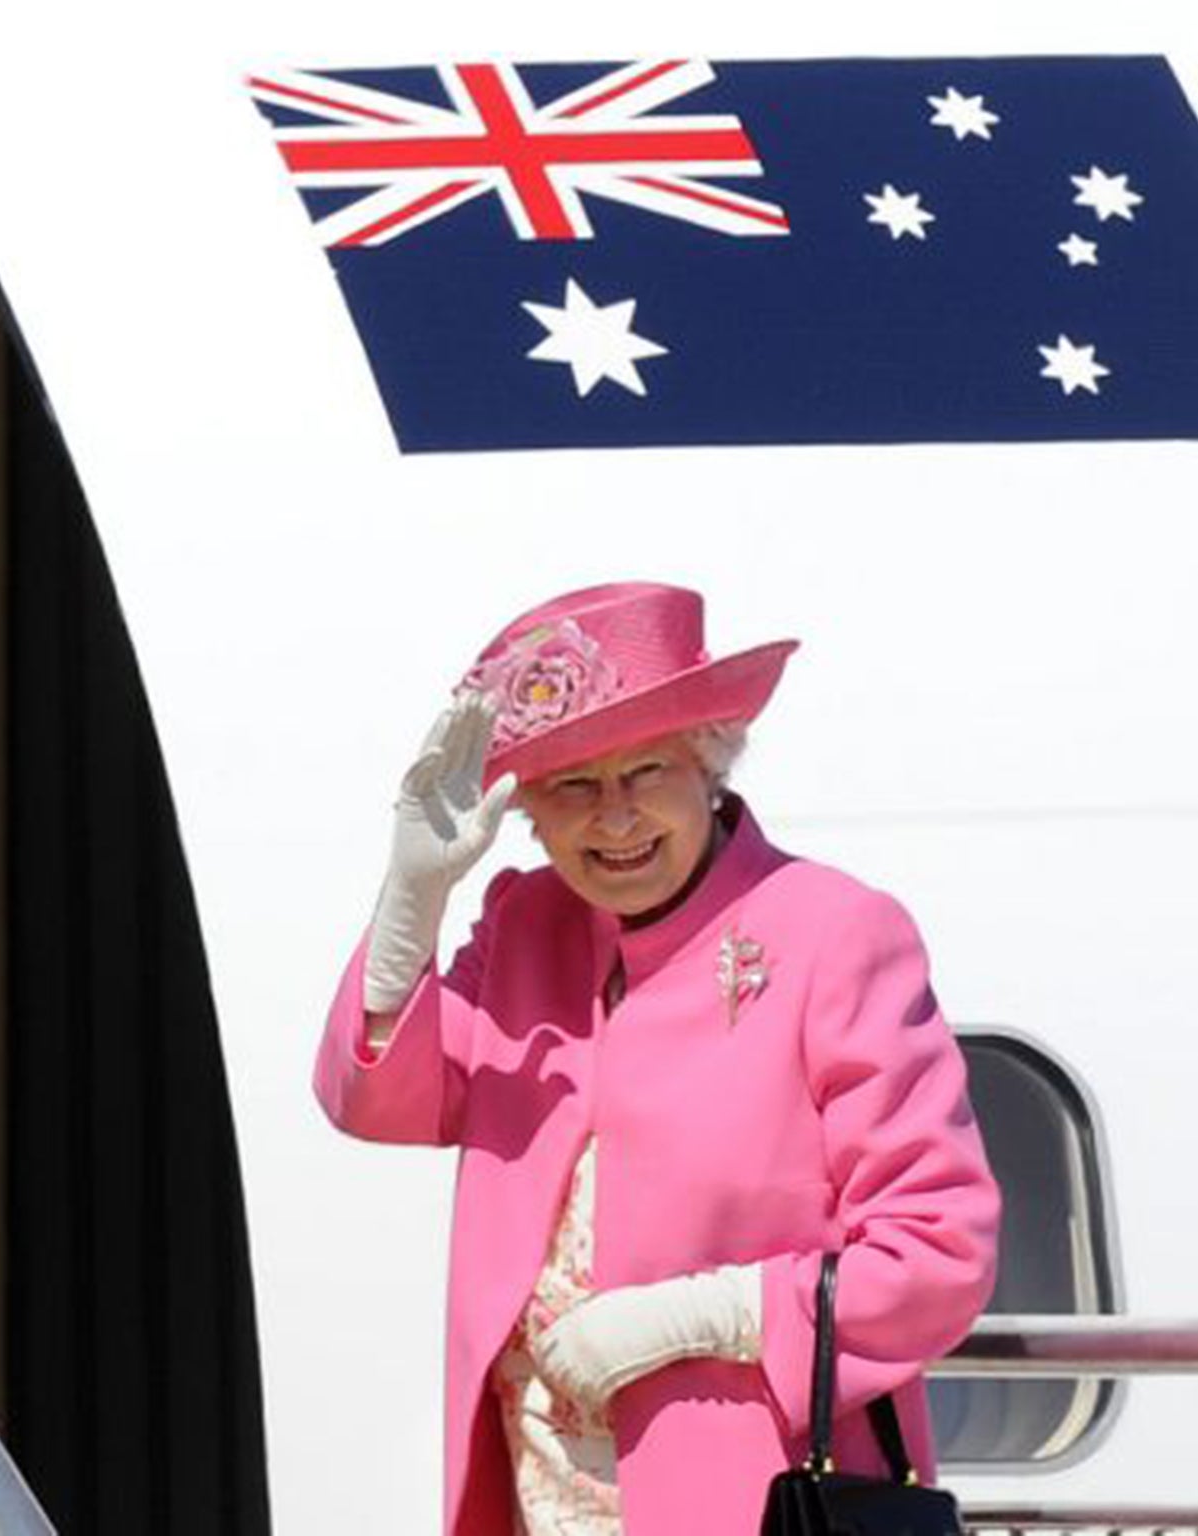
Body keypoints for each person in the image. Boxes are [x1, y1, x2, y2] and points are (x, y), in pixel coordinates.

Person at [314, 582, 1001, 1536]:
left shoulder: (834, 933)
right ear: (531, 816)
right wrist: (408, 906)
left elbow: (938, 1256)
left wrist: (700, 1317)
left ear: (709, 765)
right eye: (573, 788)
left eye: (647, 772)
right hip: (535, 1493)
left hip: (750, 1499)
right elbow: (381, 1100)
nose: (616, 820)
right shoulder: (526, 926)